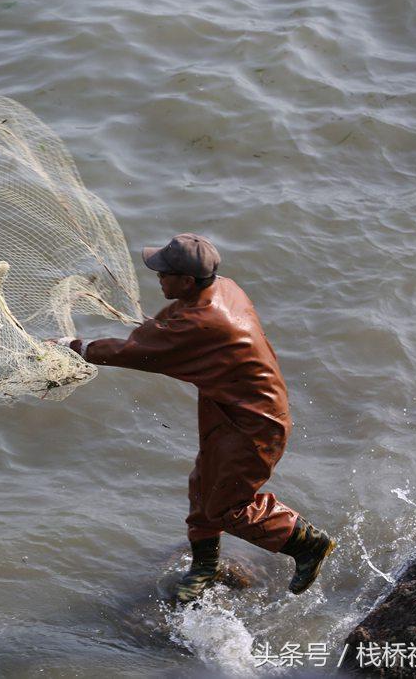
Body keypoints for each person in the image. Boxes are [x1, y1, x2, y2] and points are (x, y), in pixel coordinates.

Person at [58, 233, 335, 603]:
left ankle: (308, 543)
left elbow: (139, 353)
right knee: (202, 485)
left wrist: (74, 348)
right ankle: (204, 566)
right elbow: (164, 327)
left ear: (187, 281)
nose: (158, 278)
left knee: (227, 507)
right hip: (226, 404)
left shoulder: (206, 321)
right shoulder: (221, 287)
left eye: (164, 273)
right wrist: (148, 333)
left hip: (255, 422)